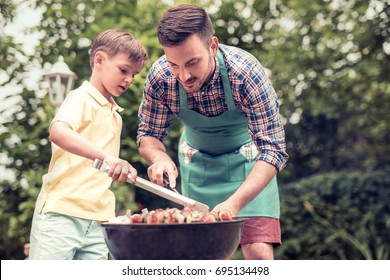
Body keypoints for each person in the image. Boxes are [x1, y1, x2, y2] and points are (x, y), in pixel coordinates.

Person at [137, 4, 288, 260]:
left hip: (249, 165)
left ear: (213, 46)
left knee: (258, 252)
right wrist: (159, 158)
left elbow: (274, 150)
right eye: (174, 64)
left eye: (192, 62)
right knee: (204, 258)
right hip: (198, 167)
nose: (183, 76)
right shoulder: (161, 77)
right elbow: (148, 134)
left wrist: (235, 204)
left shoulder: (246, 73)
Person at [29, 29, 149, 260]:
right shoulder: (80, 98)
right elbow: (58, 131)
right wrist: (108, 157)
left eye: (133, 74)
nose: (128, 79)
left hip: (97, 219)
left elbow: (103, 166)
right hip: (61, 214)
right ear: (100, 60)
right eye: (124, 70)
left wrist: (119, 167)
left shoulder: (115, 115)